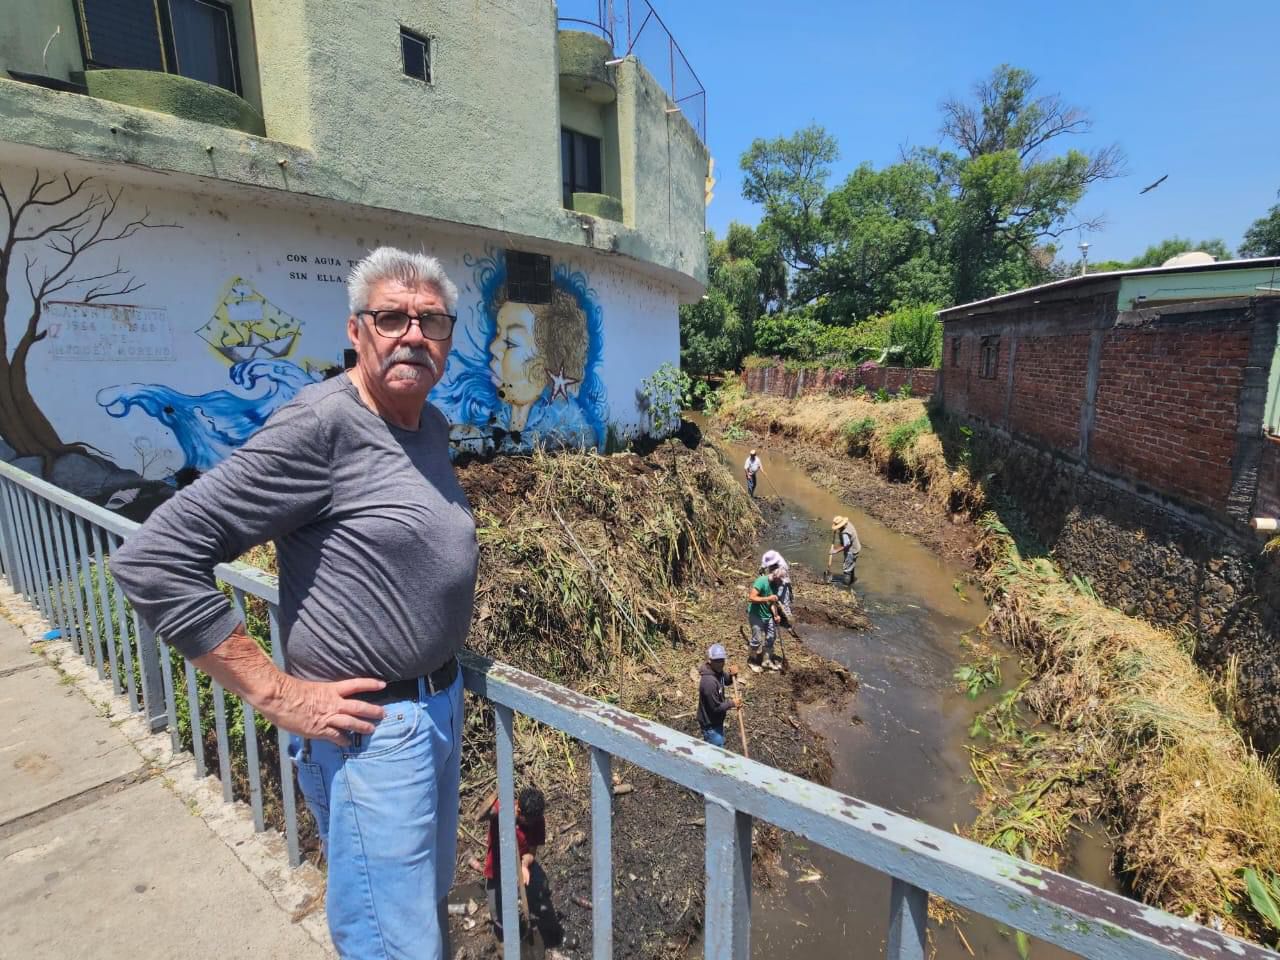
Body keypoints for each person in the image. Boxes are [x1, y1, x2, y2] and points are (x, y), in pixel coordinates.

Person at [111, 247, 479, 960]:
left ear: (447, 338)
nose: (412, 334)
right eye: (391, 317)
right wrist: (278, 694)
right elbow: (156, 561)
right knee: (393, 945)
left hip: (439, 706)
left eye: (429, 321)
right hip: (374, 731)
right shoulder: (319, 426)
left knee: (420, 917)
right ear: (356, 330)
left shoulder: (428, 426)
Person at [480, 786, 561, 947]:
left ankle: (531, 915)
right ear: (518, 809)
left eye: (534, 821)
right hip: (498, 866)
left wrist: (524, 865)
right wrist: (496, 795)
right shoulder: (503, 810)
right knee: (498, 911)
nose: (531, 824)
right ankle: (504, 937)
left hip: (522, 862)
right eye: (528, 821)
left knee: (539, 884)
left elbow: (532, 851)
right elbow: (480, 815)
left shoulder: (537, 820)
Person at [697, 643, 740, 746]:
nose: (720, 663)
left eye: (722, 660)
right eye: (717, 661)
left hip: (716, 721)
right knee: (716, 753)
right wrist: (732, 703)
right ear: (710, 660)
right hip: (710, 725)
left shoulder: (717, 671)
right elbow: (715, 708)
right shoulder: (709, 683)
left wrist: (733, 675)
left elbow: (727, 680)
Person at [746, 567, 783, 672]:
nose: (781, 584)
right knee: (757, 640)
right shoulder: (761, 581)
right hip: (756, 614)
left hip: (767, 615)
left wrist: (776, 614)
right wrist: (768, 598)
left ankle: (766, 660)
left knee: (771, 636)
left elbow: (772, 603)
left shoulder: (776, 585)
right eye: (780, 581)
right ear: (775, 577)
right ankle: (752, 661)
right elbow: (751, 598)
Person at [830, 515, 862, 585]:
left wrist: (835, 550)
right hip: (856, 547)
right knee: (851, 566)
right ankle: (852, 581)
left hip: (851, 550)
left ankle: (846, 585)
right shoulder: (848, 524)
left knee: (847, 569)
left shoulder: (845, 533)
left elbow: (846, 544)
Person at [761, 549, 793, 621]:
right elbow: (764, 564)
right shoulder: (769, 556)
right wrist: (762, 568)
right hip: (774, 579)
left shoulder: (782, 567)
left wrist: (778, 595)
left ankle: (789, 620)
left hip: (782, 583)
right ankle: (773, 609)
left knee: (784, 602)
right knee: (770, 596)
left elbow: (782, 584)